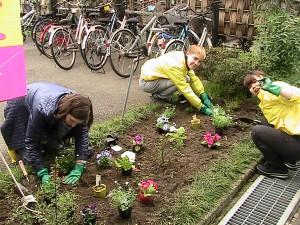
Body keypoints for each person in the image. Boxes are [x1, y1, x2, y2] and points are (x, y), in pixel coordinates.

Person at [1, 82, 93, 185]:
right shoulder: (42, 109)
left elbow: (82, 136)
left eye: (77, 122)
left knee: (54, 147)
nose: (73, 125)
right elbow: (31, 140)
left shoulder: (80, 107)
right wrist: (41, 171)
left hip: (43, 95)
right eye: (72, 120)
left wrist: (80, 165)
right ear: (65, 111)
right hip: (19, 103)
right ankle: (16, 149)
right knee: (27, 155)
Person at [243, 70, 300, 179]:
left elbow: (297, 94)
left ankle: (278, 168)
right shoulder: (264, 100)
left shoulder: (275, 88)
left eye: (255, 81)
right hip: (295, 139)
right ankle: (290, 160)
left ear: (263, 78)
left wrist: (275, 89)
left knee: (257, 132)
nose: (253, 86)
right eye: (250, 86)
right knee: (265, 122)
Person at [139, 45, 213, 116]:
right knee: (182, 80)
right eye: (195, 58)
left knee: (187, 78)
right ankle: (158, 98)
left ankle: (160, 95)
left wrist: (202, 94)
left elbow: (193, 78)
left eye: (199, 61)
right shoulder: (176, 65)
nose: (196, 63)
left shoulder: (184, 59)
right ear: (188, 54)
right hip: (147, 82)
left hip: (155, 77)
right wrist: (201, 107)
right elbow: (185, 89)